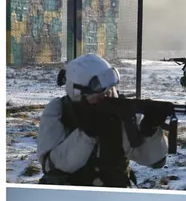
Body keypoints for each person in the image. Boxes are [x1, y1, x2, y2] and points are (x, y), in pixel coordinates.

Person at [37, 53, 168, 187]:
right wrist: (86, 136)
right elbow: (51, 167)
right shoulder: (59, 111)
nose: (108, 96)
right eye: (99, 94)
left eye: (109, 90)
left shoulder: (122, 111)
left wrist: (151, 131)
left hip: (115, 196)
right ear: (78, 94)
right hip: (71, 196)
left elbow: (156, 161)